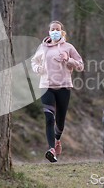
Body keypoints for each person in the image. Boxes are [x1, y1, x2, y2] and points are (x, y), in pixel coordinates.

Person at [31, 20, 84, 162]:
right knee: (49, 118)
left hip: (64, 87)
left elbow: (80, 66)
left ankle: (57, 140)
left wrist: (68, 59)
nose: (55, 31)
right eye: (52, 29)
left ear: (61, 32)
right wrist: (38, 69)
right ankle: (51, 149)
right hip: (46, 87)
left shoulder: (68, 47)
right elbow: (33, 61)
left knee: (60, 121)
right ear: (49, 32)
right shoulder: (42, 47)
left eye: (57, 29)